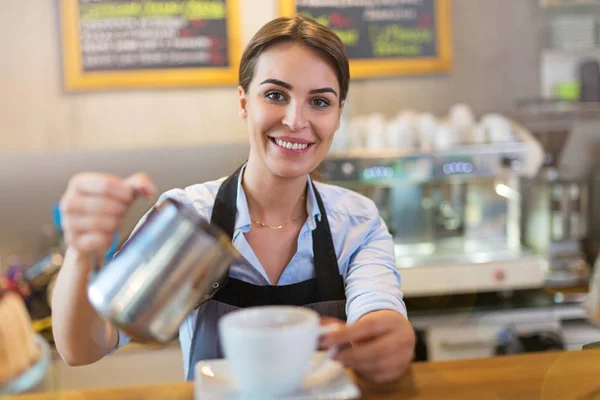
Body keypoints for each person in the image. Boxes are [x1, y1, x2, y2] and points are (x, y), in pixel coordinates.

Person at [52, 15, 415, 384]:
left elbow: (379, 314)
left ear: (338, 115)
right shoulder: (189, 219)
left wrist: (389, 339)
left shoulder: (356, 221)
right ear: (243, 102)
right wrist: (81, 254)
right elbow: (83, 348)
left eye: (320, 102)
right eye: (276, 95)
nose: (295, 120)